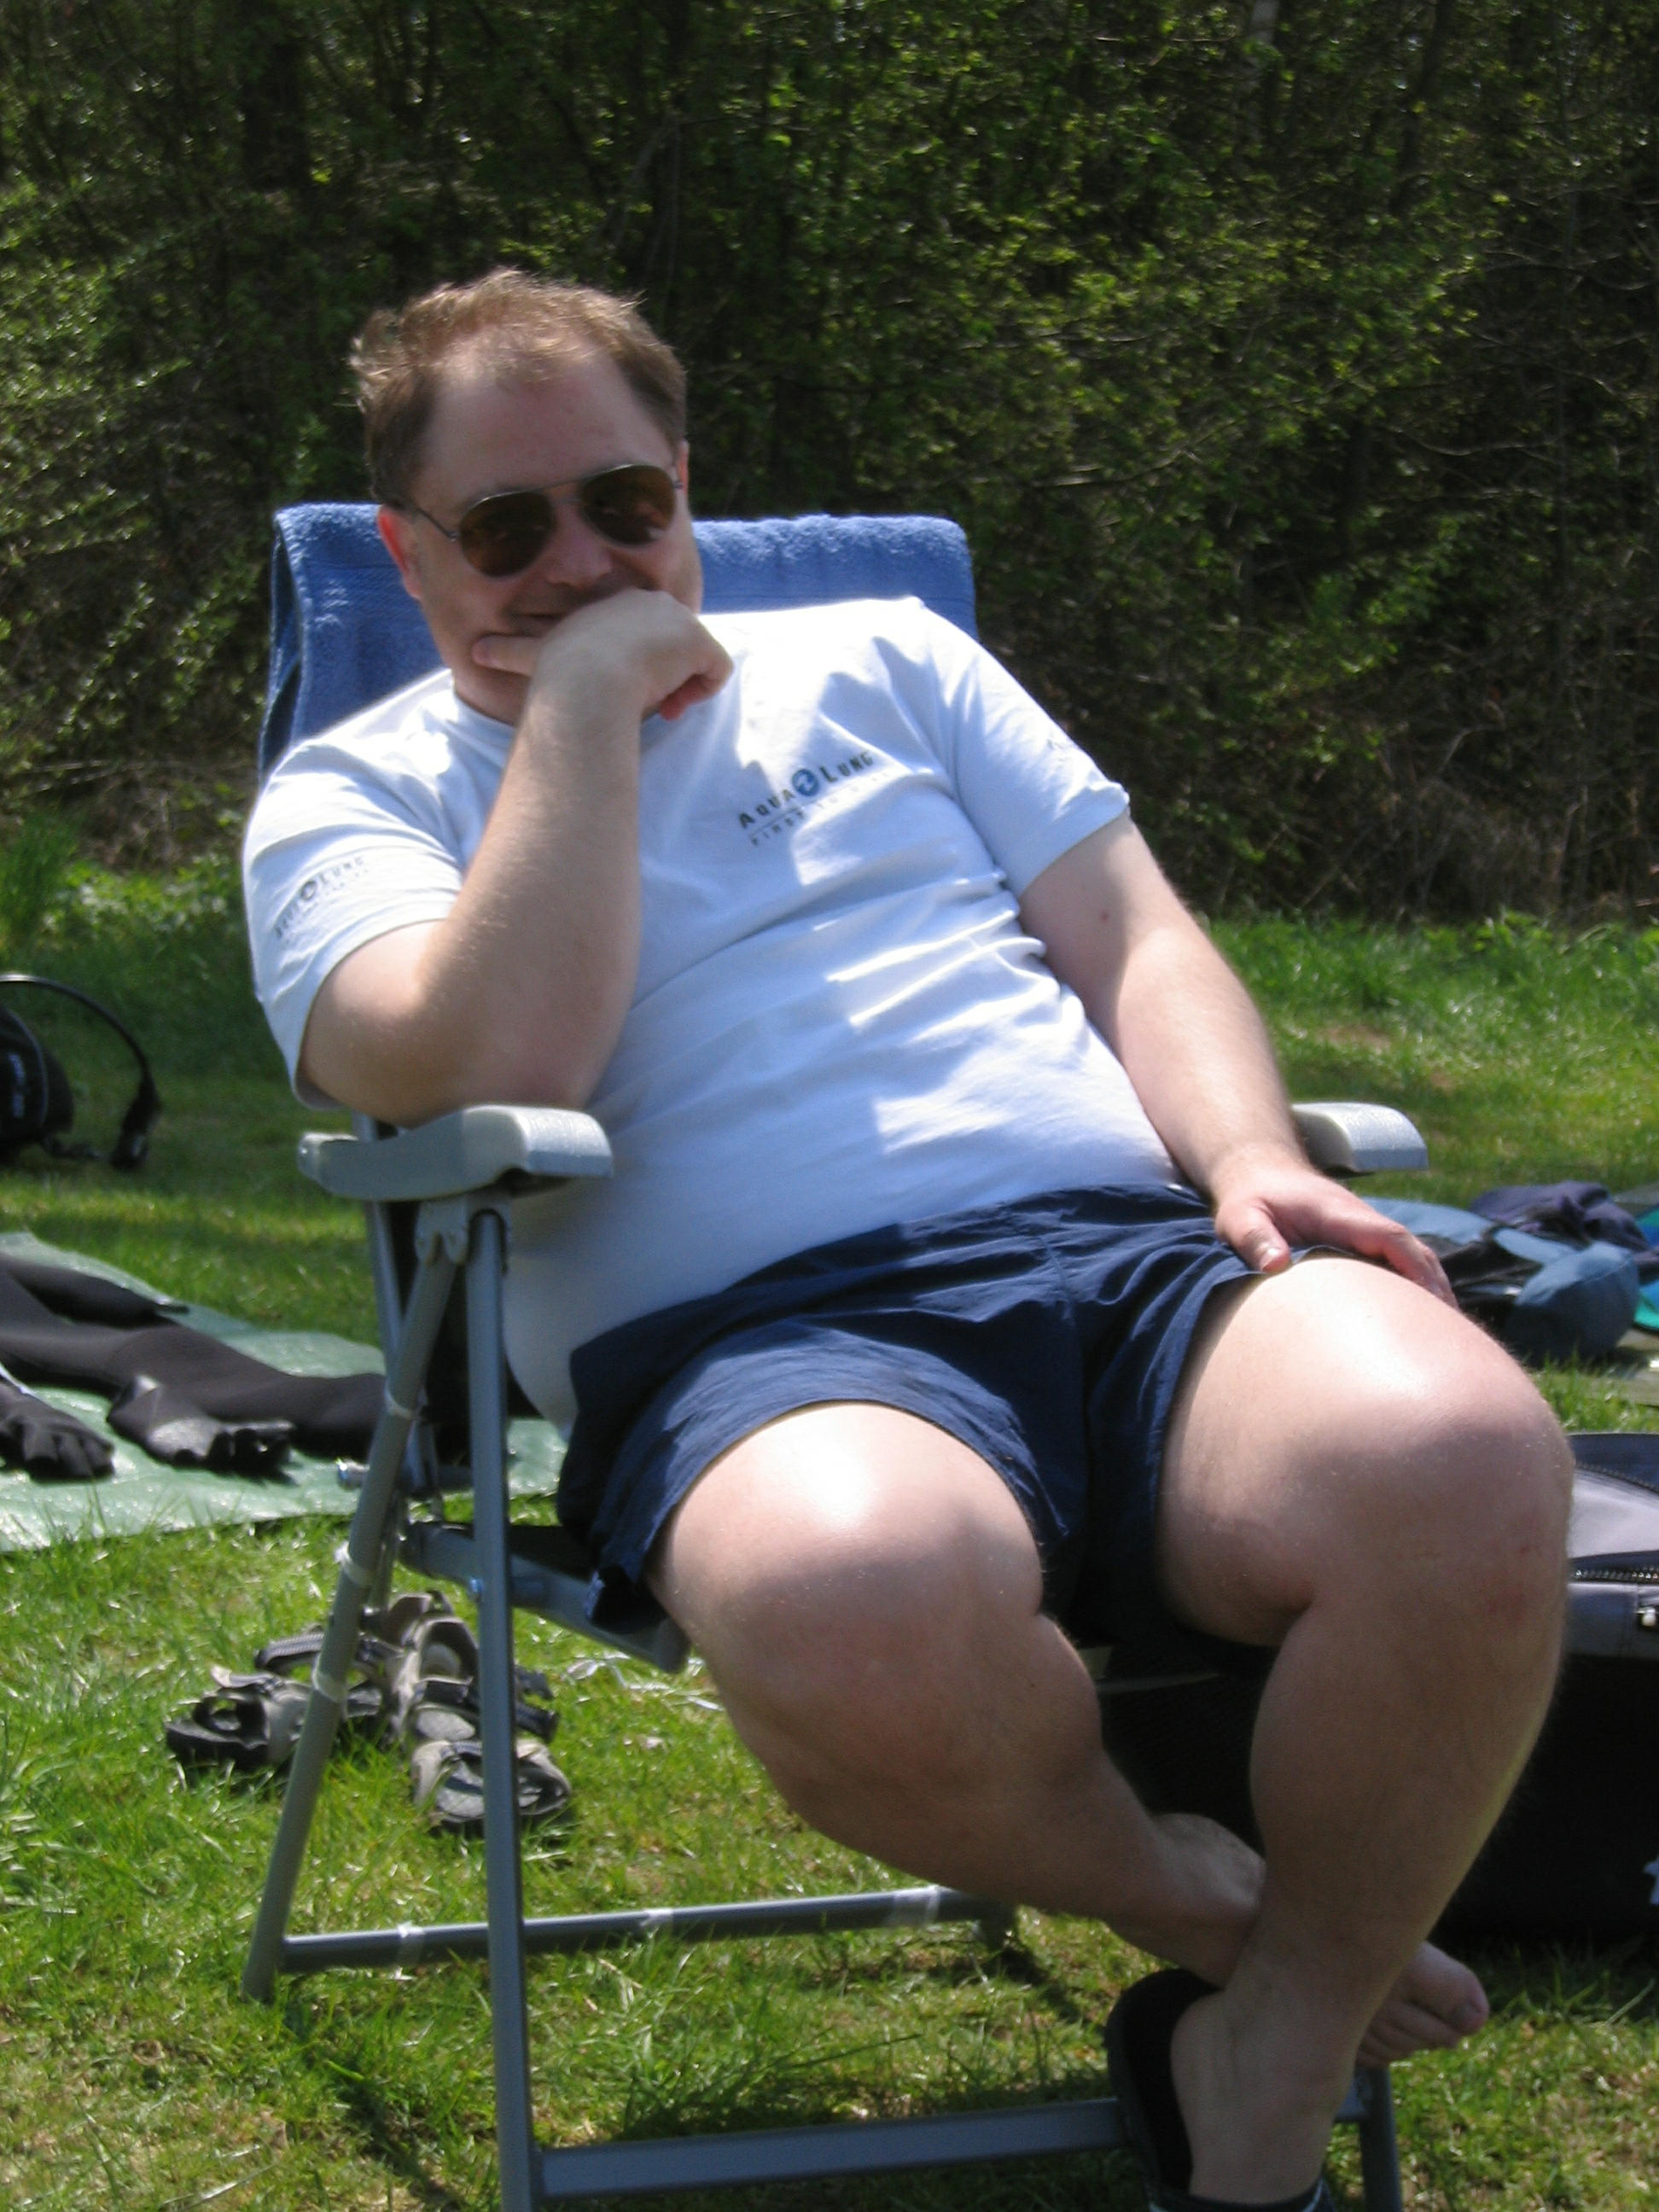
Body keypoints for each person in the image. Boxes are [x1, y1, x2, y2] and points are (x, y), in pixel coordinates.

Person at [243, 270, 1571, 2212]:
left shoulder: (891, 658)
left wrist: (1245, 1153)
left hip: (1132, 1267)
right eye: (509, 528)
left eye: (624, 503)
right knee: (850, 1594)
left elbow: (1137, 936)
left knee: (1458, 1449)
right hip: (761, 1348)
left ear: (684, 480)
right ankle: (1188, 1901)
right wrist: (590, 707)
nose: (582, 559)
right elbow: (492, 1060)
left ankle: (1272, 2053)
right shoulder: (348, 799)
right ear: (407, 551)